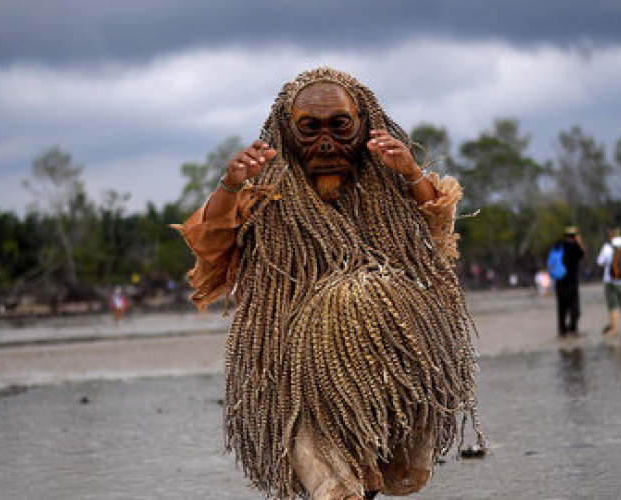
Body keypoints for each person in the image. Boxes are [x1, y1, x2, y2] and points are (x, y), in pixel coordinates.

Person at [173, 68, 484, 500]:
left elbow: (437, 228)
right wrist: (230, 185)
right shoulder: (264, 194)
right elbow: (211, 245)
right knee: (334, 488)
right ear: (286, 131)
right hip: (303, 369)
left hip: (389, 361)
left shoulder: (389, 185)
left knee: (372, 471)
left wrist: (410, 172)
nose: (325, 143)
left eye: (340, 126)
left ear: (364, 126)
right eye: (309, 128)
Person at [596, 228, 621, 336]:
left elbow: (600, 262)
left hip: (610, 280)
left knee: (613, 306)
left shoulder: (607, 247)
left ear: (611, 236)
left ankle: (614, 330)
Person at [553, 226, 586, 337]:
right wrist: (580, 242)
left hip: (559, 282)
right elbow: (584, 255)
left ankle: (562, 332)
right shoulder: (575, 247)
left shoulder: (557, 245)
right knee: (575, 310)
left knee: (562, 310)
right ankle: (572, 330)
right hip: (572, 283)